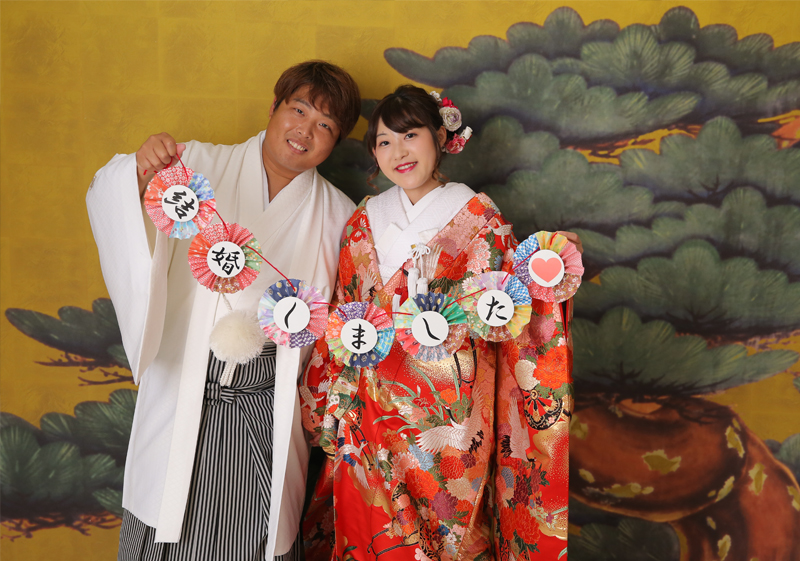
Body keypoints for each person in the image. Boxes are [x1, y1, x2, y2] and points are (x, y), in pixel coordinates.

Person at [86, 60, 361, 561]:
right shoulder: (195, 165)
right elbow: (110, 195)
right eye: (299, 110)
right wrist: (142, 170)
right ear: (274, 107)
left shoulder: (341, 215)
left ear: (335, 142)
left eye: (325, 124)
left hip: (265, 407)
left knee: (253, 539)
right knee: (165, 522)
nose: (305, 130)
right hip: (186, 386)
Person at [300, 85, 578, 560]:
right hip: (366, 409)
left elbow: (508, 306)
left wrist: (547, 266)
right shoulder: (364, 218)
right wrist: (329, 395)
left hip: (448, 415)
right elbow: (346, 310)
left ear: (441, 137)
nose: (398, 151)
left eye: (410, 135)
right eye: (384, 141)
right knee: (368, 531)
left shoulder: (479, 218)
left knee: (445, 532)